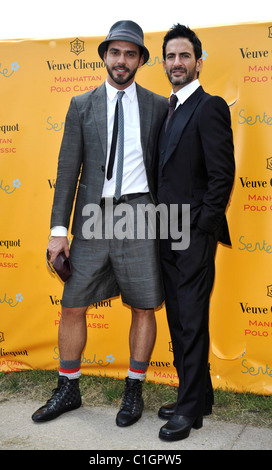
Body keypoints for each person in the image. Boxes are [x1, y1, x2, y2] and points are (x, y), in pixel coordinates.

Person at [32, 20, 168, 427]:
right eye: (115, 52)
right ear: (104, 56)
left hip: (141, 216)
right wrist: (59, 231)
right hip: (92, 218)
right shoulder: (80, 105)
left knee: (144, 306)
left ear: (141, 60)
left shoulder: (160, 106)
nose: (121, 60)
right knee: (73, 304)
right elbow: (68, 167)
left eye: (130, 53)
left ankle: (133, 390)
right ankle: (68, 387)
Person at [156, 24, 235, 441]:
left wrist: (201, 230)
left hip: (192, 236)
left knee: (189, 320)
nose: (177, 63)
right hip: (164, 234)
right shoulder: (166, 108)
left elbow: (222, 176)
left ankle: (188, 410)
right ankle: (198, 394)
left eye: (184, 56)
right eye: (170, 56)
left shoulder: (210, 106)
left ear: (198, 62)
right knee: (180, 318)